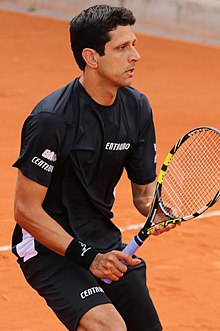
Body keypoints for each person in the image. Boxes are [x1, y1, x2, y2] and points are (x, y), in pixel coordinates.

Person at [12, 5, 176, 331]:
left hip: (105, 244)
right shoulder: (52, 120)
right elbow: (25, 210)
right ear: (91, 57)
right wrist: (89, 258)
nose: (136, 56)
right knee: (108, 326)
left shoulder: (137, 107)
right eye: (122, 47)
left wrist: (156, 209)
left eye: (134, 43)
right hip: (50, 248)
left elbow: (144, 194)